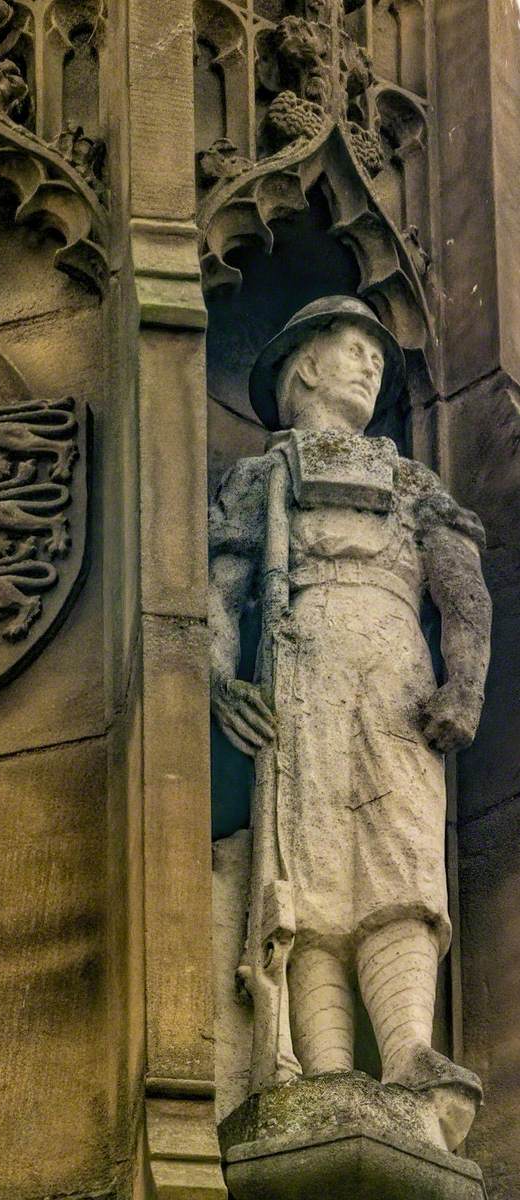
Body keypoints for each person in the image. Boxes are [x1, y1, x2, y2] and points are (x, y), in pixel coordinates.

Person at [209, 296, 491, 1098]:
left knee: (402, 860)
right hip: (301, 672)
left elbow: (463, 592)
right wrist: (222, 680)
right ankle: (326, 1070)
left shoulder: (409, 479)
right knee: (310, 872)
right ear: (304, 366)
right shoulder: (264, 475)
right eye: (353, 347)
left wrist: (462, 690)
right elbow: (219, 591)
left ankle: (407, 1049)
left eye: (378, 351)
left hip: (395, 675)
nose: (371, 363)